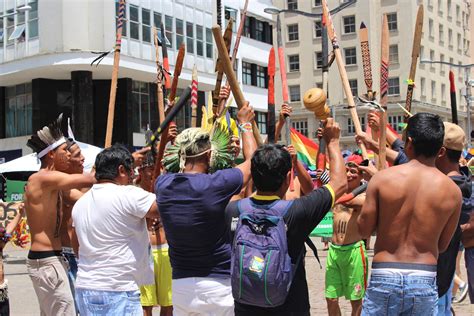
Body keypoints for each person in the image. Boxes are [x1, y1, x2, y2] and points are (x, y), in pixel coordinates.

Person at [225, 118, 347, 315]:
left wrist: (246, 126)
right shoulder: (297, 211)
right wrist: (332, 141)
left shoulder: (234, 210)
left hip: (245, 307)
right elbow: (340, 183)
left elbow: (241, 179)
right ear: (287, 179)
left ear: (254, 177)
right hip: (291, 307)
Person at [155, 102, 257, 315]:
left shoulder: (163, 185)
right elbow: (253, 162)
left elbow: (165, 165)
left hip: (181, 286)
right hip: (218, 284)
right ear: (209, 155)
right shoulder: (215, 185)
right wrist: (245, 124)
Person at [358, 113, 462, 315]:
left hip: (385, 272)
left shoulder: (382, 179)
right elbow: (441, 245)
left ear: (409, 143)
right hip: (423, 276)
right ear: (440, 151)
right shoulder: (452, 192)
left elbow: (364, 229)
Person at [72, 144, 159, 315]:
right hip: (117, 289)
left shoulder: (81, 203)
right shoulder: (128, 194)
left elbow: (76, 246)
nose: (133, 176)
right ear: (121, 170)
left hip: (85, 288)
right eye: (131, 171)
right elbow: (165, 208)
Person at [24, 115, 96, 316]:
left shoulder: (53, 185)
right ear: (50, 155)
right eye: (64, 150)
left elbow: (83, 197)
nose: (67, 154)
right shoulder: (41, 179)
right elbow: (91, 179)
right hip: (46, 260)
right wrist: (115, 162)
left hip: (51, 260)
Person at [137, 128, 177, 316]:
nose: (153, 173)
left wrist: (167, 143)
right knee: (145, 306)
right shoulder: (133, 192)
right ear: (140, 170)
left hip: (166, 250)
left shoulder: (166, 189)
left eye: (157, 168)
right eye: (149, 169)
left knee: (168, 305)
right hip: (145, 252)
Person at [434, 122, 472, 314]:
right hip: (444, 273)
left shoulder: (448, 186)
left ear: (440, 152)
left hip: (437, 274)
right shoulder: (462, 179)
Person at [325, 154, 367, 316]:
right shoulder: (338, 193)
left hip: (354, 252)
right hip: (334, 251)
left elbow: (349, 201)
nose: (349, 174)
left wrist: (330, 191)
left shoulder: (364, 195)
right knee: (331, 298)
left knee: (356, 300)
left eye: (353, 171)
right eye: (346, 170)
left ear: (361, 174)